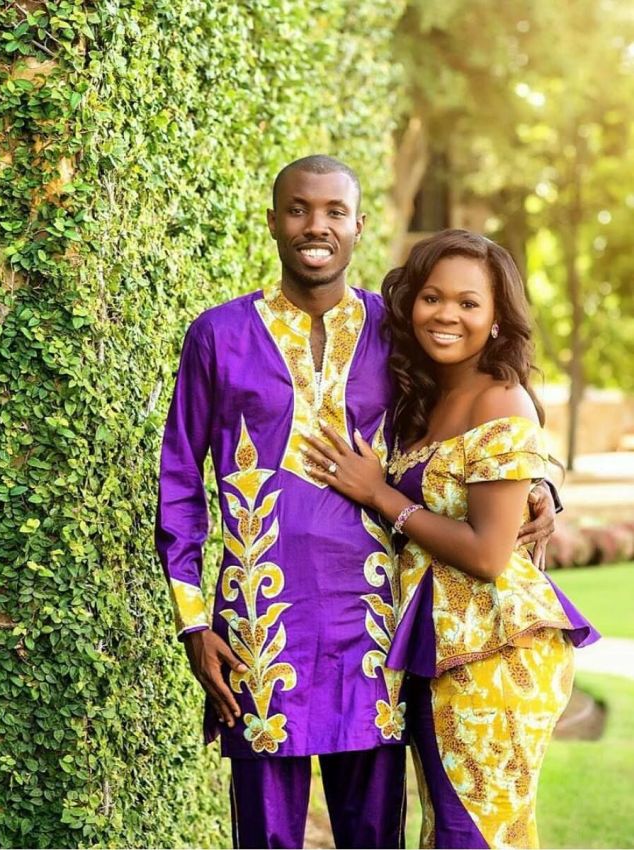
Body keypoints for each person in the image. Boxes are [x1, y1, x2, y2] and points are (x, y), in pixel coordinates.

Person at [155, 158, 555, 849]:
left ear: (358, 226)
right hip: (258, 630)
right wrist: (193, 622)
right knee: (266, 839)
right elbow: (181, 481)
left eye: (335, 212)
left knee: (374, 837)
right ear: (273, 221)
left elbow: (480, 408)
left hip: (373, 636)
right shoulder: (217, 337)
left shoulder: (395, 332)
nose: (316, 226)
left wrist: (542, 483)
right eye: (298, 210)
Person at [302, 229, 598, 850]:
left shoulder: (499, 397)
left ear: (497, 318)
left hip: (496, 654)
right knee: (446, 829)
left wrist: (382, 495)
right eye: (433, 297)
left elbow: (489, 554)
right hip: (442, 648)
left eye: (469, 303)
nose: (447, 315)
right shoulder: (423, 393)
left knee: (477, 833)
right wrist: (544, 482)